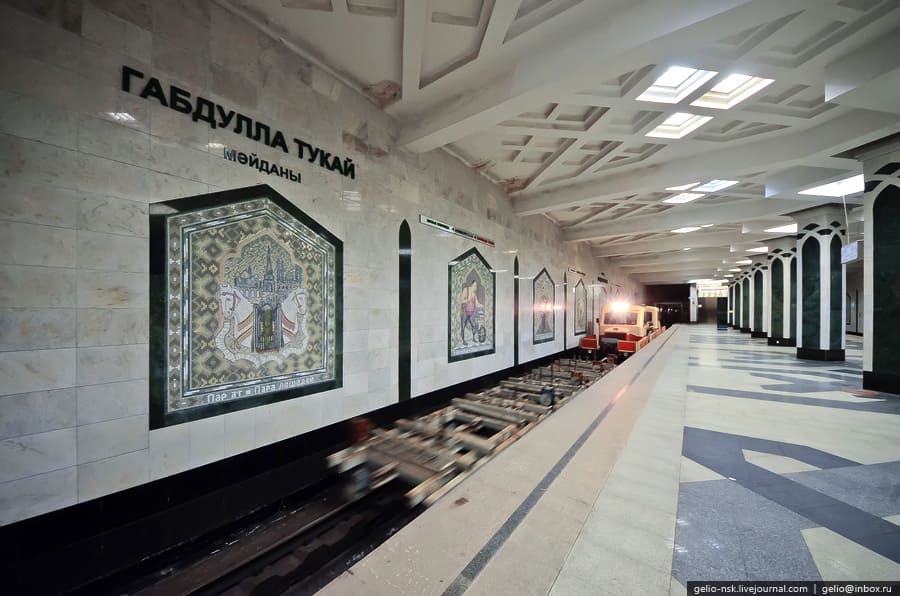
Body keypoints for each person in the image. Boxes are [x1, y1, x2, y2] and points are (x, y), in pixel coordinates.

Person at [458, 279, 482, 345]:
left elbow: (477, 304)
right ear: (472, 285)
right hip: (464, 311)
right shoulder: (466, 290)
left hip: (471, 312)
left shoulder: (474, 294)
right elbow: (461, 300)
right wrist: (468, 299)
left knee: (474, 325)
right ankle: (463, 340)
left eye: (476, 286)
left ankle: (473, 338)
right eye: (475, 285)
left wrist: (482, 305)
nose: (476, 287)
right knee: (463, 326)